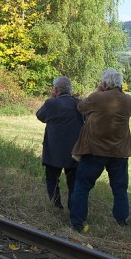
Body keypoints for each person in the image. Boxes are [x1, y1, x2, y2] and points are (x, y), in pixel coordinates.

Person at [69, 68, 131, 232]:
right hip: (120, 153)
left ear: (104, 83)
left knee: (82, 187)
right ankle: (122, 222)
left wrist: (98, 91)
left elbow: (81, 107)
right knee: (120, 189)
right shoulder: (129, 101)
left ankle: (77, 223)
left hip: (95, 151)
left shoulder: (97, 97)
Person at [35, 76, 83, 210]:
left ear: (56, 89)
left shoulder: (52, 103)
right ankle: (72, 209)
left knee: (52, 180)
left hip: (54, 151)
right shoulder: (79, 103)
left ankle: (56, 206)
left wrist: (51, 98)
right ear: (70, 89)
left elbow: (40, 115)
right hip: (74, 151)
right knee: (73, 183)